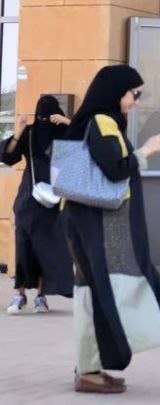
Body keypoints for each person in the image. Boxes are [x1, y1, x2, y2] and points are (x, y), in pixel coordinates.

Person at [61, 65, 160, 395]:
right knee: (102, 290)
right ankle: (88, 371)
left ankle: (90, 366)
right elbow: (115, 169)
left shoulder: (93, 121)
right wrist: (145, 151)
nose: (136, 101)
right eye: (134, 94)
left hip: (88, 217)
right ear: (116, 92)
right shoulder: (102, 122)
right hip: (97, 220)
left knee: (93, 291)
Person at [3, 96, 74, 315]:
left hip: (53, 201)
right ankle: (20, 294)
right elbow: (8, 156)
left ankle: (41, 296)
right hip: (29, 199)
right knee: (24, 246)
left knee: (45, 248)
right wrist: (18, 131)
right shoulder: (30, 133)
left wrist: (69, 122)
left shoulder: (64, 133)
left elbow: (88, 145)